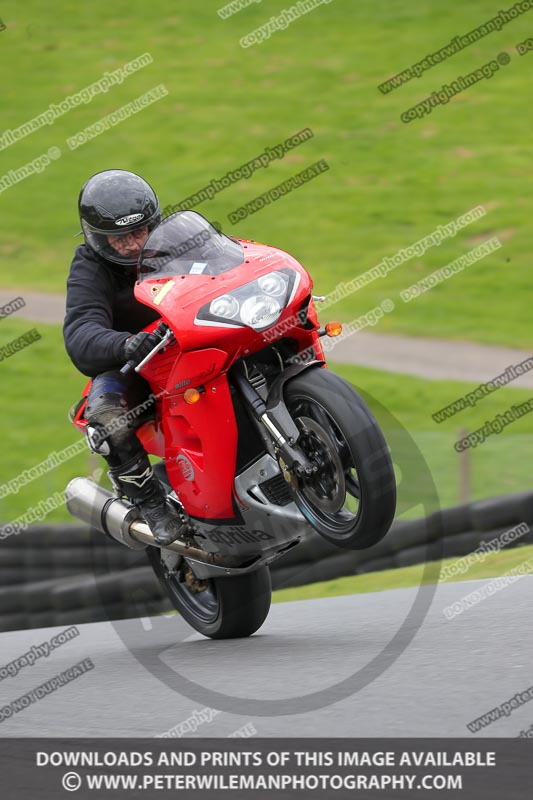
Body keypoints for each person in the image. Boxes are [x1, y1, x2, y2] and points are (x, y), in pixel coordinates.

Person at [63, 169, 187, 545]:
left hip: (198, 341)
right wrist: (125, 345)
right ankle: (150, 501)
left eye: (139, 232)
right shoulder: (90, 266)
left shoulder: (181, 239)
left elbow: (235, 261)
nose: (133, 245)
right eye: (120, 238)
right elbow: (80, 331)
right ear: (98, 237)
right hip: (140, 364)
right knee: (106, 417)